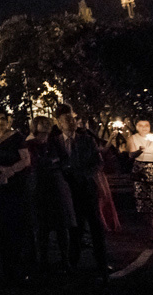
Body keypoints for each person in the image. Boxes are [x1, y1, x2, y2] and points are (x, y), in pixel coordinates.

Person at [54, 105, 109, 279]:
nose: (70, 123)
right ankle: (73, 262)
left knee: (95, 225)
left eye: (71, 119)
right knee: (74, 226)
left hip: (86, 187)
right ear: (58, 123)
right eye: (65, 120)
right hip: (67, 189)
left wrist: (84, 175)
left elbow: (97, 162)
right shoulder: (55, 142)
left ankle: (101, 261)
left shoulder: (86, 140)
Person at [0, 107, 31, 283]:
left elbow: (26, 159)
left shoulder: (17, 137)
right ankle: (6, 267)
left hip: (16, 186)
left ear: (8, 120)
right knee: (1, 227)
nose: (0, 122)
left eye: (3, 118)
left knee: (16, 226)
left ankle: (19, 266)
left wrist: (9, 171)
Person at [28, 116, 75, 273]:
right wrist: (50, 162)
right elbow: (33, 162)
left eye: (48, 123)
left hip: (56, 186)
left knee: (62, 225)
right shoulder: (31, 143)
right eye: (42, 123)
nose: (46, 126)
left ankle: (65, 259)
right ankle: (43, 261)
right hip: (40, 186)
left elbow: (64, 159)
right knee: (42, 227)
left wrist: (54, 163)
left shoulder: (55, 142)